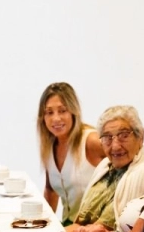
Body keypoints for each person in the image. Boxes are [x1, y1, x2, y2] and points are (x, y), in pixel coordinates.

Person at [62, 105, 144, 232]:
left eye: (124, 135)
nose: (115, 146)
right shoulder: (105, 166)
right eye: (107, 138)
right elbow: (80, 225)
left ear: (141, 137)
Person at [37, 82, 105, 222]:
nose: (56, 118)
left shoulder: (91, 141)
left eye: (62, 111)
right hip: (69, 225)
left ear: (74, 112)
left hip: (96, 229)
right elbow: (51, 190)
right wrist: (43, 225)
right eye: (49, 112)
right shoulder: (49, 145)